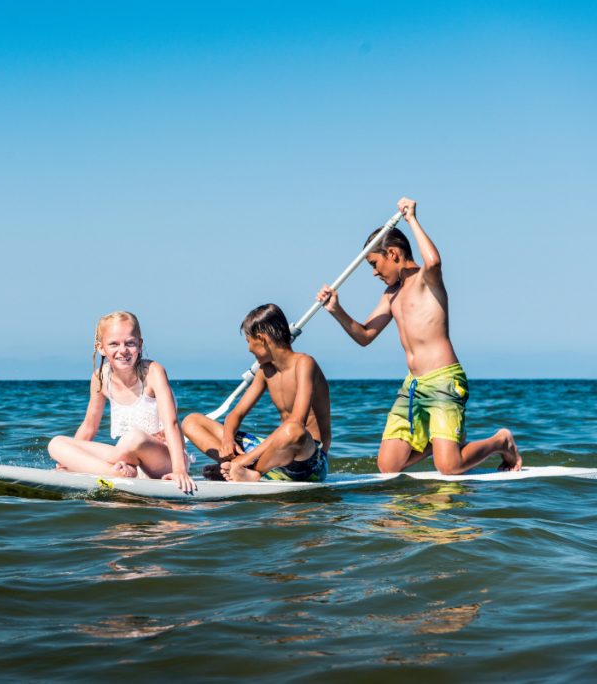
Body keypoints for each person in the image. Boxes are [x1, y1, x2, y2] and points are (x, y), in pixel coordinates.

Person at [316, 197, 521, 474]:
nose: (374, 272)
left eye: (375, 264)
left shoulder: (427, 279)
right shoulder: (391, 295)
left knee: (448, 467)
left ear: (393, 254)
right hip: (413, 386)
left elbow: (434, 261)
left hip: (444, 380)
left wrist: (411, 218)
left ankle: (501, 441)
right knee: (388, 466)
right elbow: (365, 335)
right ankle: (442, 442)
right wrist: (336, 310)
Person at [47, 311, 196, 493]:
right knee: (56, 443)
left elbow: (172, 423)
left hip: (165, 461)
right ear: (101, 347)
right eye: (114, 344)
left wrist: (179, 470)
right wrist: (67, 461)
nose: (123, 350)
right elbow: (89, 427)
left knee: (134, 437)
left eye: (130, 343)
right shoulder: (100, 377)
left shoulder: (154, 372)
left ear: (140, 345)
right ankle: (113, 473)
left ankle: (103, 468)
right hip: (124, 461)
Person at [182, 304, 331, 482]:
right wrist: (228, 440)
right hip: (275, 458)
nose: (249, 349)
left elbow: (296, 422)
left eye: (248, 341)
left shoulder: (305, 364)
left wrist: (246, 459)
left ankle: (246, 470)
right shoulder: (265, 371)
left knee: (293, 429)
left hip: (310, 461)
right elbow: (236, 414)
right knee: (191, 421)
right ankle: (240, 470)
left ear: (261, 339)